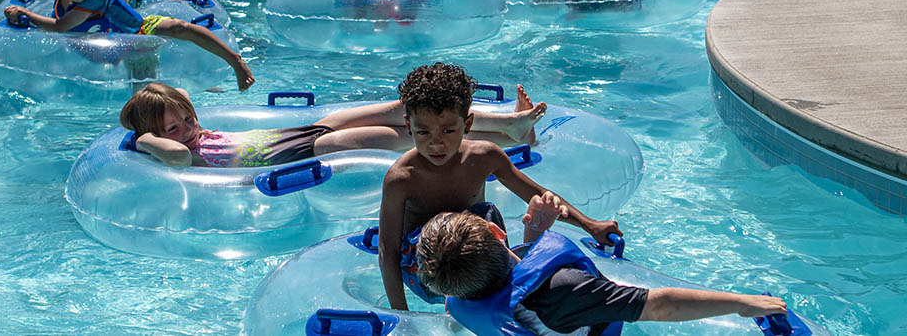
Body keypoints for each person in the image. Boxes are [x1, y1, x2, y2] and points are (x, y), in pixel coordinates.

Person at [378, 62, 620, 310]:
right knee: (463, 227)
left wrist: (589, 225)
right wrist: (401, 314)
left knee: (484, 215)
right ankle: (517, 265)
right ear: (409, 126)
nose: (436, 144)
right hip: (428, 273)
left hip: (476, 263)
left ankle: (524, 273)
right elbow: (388, 249)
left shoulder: (484, 157)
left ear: (468, 124)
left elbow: (538, 196)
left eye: (448, 131)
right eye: (423, 132)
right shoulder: (402, 179)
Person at [415, 195, 788, 334]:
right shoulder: (567, 287)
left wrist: (536, 238)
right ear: (499, 234)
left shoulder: (459, 299)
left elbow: (519, 298)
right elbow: (661, 305)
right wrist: (744, 302)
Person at [119, 78, 548, 168]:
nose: (187, 130)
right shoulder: (178, 150)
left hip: (296, 135)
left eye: (188, 120)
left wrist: (170, 112)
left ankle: (503, 124)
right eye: (173, 128)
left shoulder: (190, 126)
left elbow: (181, 96)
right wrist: (142, 138)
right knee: (399, 135)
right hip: (305, 153)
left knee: (397, 108)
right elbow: (173, 153)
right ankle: (504, 132)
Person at [4, 0, 255, 91]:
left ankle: (235, 61)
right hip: (105, 41)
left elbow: (60, 27)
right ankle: (189, 85)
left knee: (179, 29)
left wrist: (25, 14)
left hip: (137, 33)